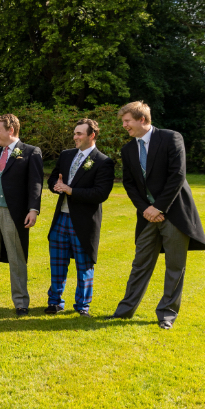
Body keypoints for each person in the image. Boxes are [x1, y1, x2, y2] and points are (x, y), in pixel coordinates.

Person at [108, 101, 205, 329]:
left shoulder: (171, 138)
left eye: (127, 121)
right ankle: (124, 312)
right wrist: (146, 209)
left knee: (175, 266)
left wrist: (159, 207)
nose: (124, 125)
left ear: (142, 119)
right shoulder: (128, 149)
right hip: (146, 216)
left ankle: (167, 315)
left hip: (174, 214)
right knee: (139, 264)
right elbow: (129, 184)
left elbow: (177, 175)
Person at [0, 114, 43, 315]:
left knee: (16, 259)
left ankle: (21, 302)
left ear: (10, 130)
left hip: (13, 213)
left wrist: (33, 209)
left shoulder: (31, 152)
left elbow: (36, 183)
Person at [45, 119, 115, 316]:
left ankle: (82, 306)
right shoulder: (66, 155)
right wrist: (56, 186)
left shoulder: (103, 161)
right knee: (57, 263)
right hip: (61, 218)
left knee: (84, 266)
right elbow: (53, 178)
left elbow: (100, 194)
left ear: (92, 135)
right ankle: (54, 302)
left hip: (84, 222)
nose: (74, 137)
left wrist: (71, 190)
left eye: (79, 134)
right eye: (74, 133)